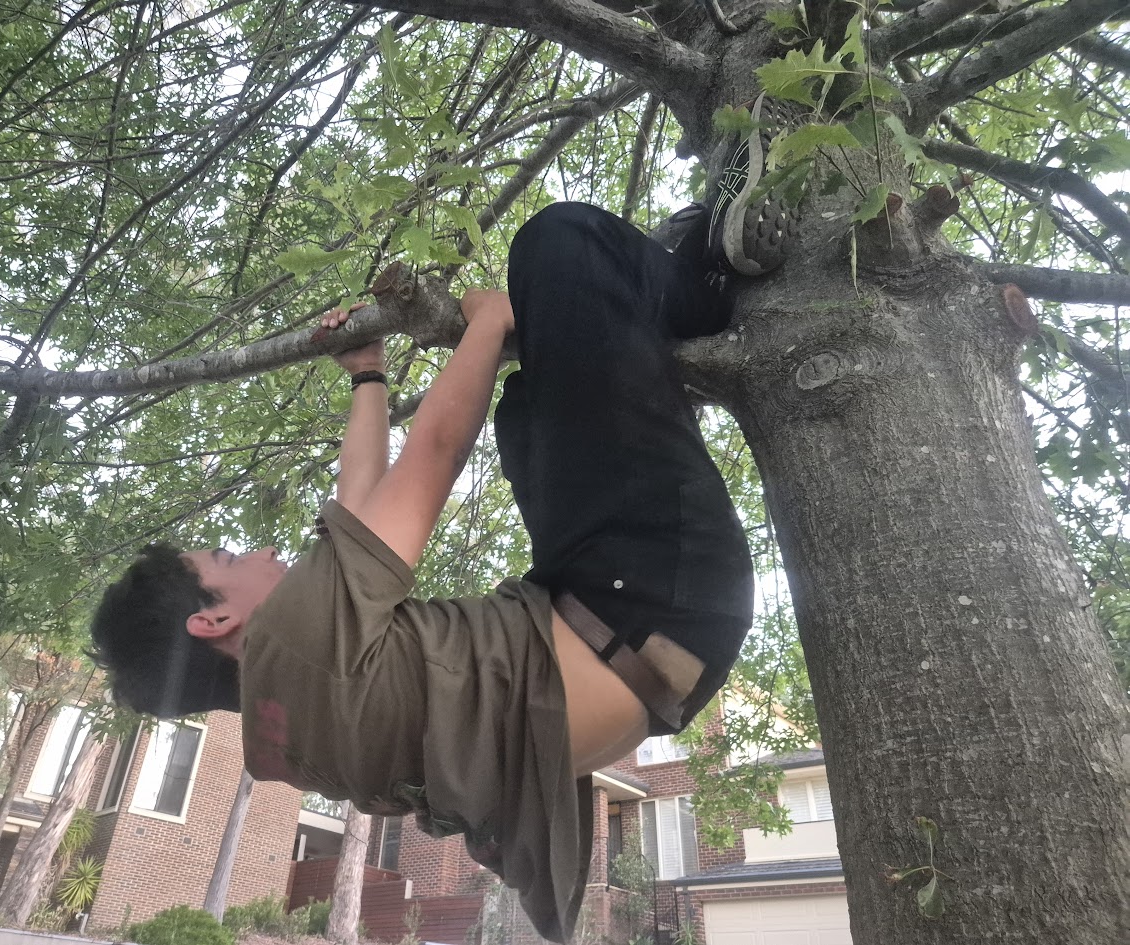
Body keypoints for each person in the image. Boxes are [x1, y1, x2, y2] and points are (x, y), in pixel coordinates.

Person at [91, 96, 796, 943]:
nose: (263, 547)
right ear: (214, 617)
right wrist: (487, 320)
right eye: (229, 553)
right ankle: (708, 276)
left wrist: (366, 376)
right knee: (557, 243)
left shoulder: (294, 720)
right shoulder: (303, 640)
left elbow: (358, 514)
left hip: (629, 626)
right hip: (650, 597)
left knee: (529, 406)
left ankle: (662, 280)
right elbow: (426, 462)